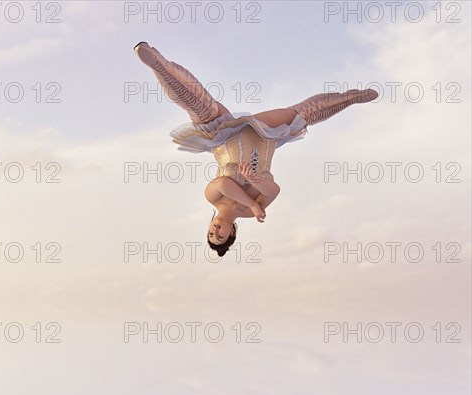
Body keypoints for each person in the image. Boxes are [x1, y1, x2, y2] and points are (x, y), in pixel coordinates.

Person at [134, 42, 378, 257]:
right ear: (232, 233)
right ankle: (350, 98)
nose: (215, 231)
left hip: (223, 136)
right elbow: (273, 190)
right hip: (263, 138)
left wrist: (252, 203)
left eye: (210, 233)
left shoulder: (214, 199)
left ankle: (158, 64)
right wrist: (256, 182)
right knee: (306, 113)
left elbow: (223, 184)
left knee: (197, 104)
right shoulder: (250, 213)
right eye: (220, 236)